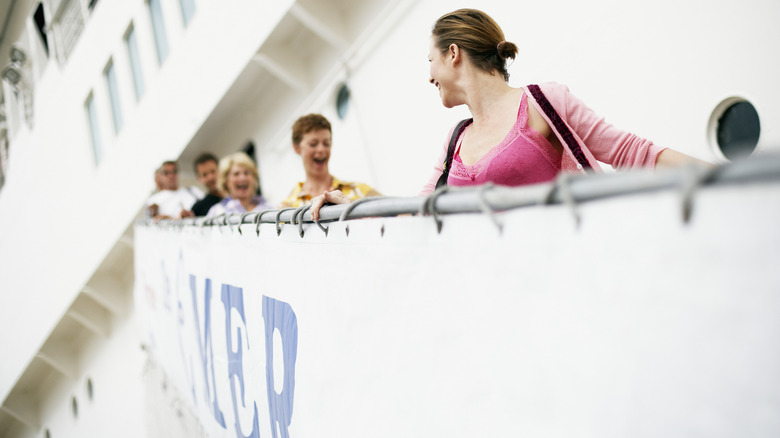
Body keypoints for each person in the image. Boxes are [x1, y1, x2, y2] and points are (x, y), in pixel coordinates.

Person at [310, 8, 709, 220]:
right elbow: (415, 213)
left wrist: (727, 182)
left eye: (430, 60)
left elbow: (633, 153)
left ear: (453, 54)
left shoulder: (542, 103)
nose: (428, 74)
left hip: (574, 280)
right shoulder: (456, 140)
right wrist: (348, 208)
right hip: (504, 303)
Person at [280, 113, 380, 208]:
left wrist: (352, 208)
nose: (321, 149)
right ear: (296, 148)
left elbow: (394, 214)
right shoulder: (286, 208)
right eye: (313, 144)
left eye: (326, 143)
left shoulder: (360, 191)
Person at [206, 152, 272, 216]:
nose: (242, 178)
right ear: (226, 181)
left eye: (246, 173)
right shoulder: (217, 212)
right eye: (236, 174)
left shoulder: (268, 207)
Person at [190, 152, 224, 216]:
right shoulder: (198, 209)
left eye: (213, 171)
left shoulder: (239, 194)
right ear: (198, 178)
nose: (210, 177)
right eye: (204, 175)